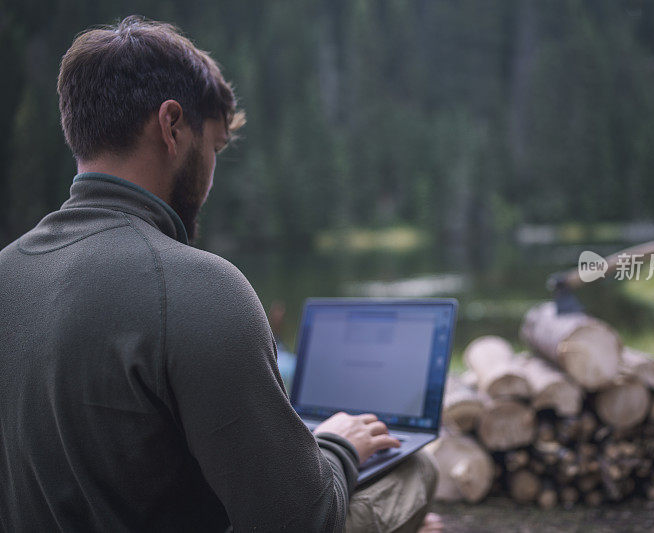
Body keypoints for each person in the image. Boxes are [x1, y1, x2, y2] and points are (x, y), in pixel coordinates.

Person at [0, 16, 442, 533]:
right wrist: (339, 446)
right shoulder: (197, 287)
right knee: (414, 468)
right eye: (213, 147)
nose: (210, 174)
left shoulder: (8, 269)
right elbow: (299, 519)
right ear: (171, 126)